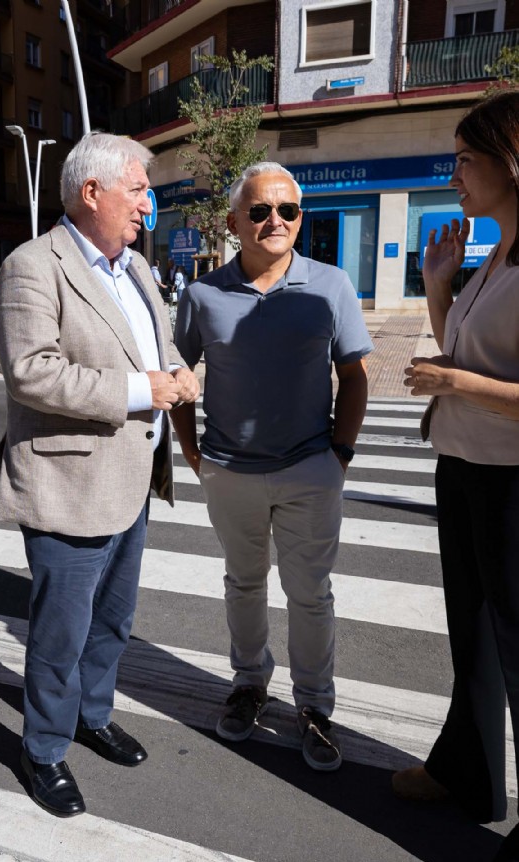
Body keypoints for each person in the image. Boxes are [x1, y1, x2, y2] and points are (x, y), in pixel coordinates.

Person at [0, 132, 200, 818]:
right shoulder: (33, 265)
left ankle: (92, 714)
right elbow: (32, 373)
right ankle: (45, 749)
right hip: (69, 483)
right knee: (61, 633)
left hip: (132, 477)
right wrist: (145, 390)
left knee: (113, 621)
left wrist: (178, 374)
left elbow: (157, 345)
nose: (150, 202)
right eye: (138, 189)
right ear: (93, 192)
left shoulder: (135, 267)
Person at [171, 160, 372, 773]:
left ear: (300, 217)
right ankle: (250, 683)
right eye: (259, 211)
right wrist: (190, 450)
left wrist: (340, 453)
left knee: (310, 595)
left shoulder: (331, 286)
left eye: (286, 210)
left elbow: (355, 375)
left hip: (311, 466)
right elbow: (179, 378)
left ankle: (314, 705)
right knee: (243, 584)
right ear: (235, 222)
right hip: (230, 471)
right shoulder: (203, 294)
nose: (274, 221)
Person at [397, 90, 519, 862]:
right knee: (471, 635)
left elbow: (472, 376)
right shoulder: (493, 258)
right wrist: (440, 283)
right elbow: (462, 354)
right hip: (464, 464)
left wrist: (454, 379)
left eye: (467, 159)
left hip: (514, 481)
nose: (455, 174)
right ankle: (469, 773)